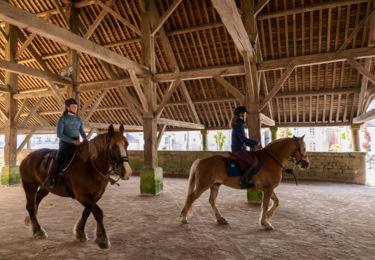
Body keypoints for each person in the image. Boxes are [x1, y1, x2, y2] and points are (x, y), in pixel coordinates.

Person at [43, 98, 87, 189]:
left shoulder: (78, 120)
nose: (75, 108)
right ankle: (49, 177)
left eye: (76, 107)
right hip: (65, 144)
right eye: (73, 107)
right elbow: (59, 134)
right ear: (67, 108)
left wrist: (85, 139)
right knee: (58, 158)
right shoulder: (62, 119)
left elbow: (82, 132)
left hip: (77, 143)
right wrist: (72, 141)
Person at [231, 106, 261, 189]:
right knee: (252, 162)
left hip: (240, 148)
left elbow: (242, 140)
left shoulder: (238, 124)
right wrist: (255, 143)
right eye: (245, 114)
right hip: (239, 150)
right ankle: (243, 181)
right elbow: (243, 139)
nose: (246, 115)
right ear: (241, 114)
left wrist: (252, 145)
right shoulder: (239, 124)